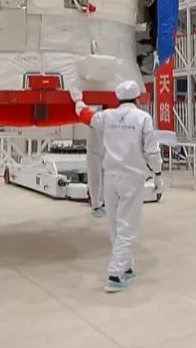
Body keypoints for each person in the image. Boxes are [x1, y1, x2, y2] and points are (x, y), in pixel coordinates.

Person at [71, 81, 163, 293]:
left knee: (114, 226)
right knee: (128, 228)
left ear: (117, 98)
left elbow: (85, 116)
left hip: (110, 178)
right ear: (137, 98)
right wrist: (157, 174)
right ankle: (115, 274)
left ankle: (127, 267)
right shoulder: (143, 118)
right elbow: (152, 151)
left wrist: (77, 99)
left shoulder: (107, 116)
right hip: (132, 179)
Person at [87, 107, 106, 218]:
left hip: (107, 149)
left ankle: (103, 203)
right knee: (95, 178)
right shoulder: (92, 110)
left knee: (105, 178)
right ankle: (95, 205)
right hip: (94, 150)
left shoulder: (111, 111)